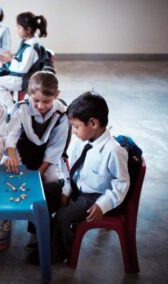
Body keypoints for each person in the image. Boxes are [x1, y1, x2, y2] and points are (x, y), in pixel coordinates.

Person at [32, 91, 131, 264]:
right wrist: (66, 191)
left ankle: (57, 253)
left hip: (94, 197)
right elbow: (71, 172)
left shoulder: (114, 151)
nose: (74, 131)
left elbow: (121, 184)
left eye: (76, 127)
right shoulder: (81, 142)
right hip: (77, 188)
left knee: (63, 216)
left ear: (93, 123)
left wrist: (103, 205)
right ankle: (41, 238)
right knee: (41, 194)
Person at [0, 12, 48, 111]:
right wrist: (10, 59)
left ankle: (11, 109)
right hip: (20, 77)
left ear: (28, 30)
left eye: (19, 27)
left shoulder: (31, 47)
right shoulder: (27, 42)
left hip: (24, 79)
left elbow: (23, 69)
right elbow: (21, 59)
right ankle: (6, 105)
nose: (17, 30)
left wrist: (11, 59)